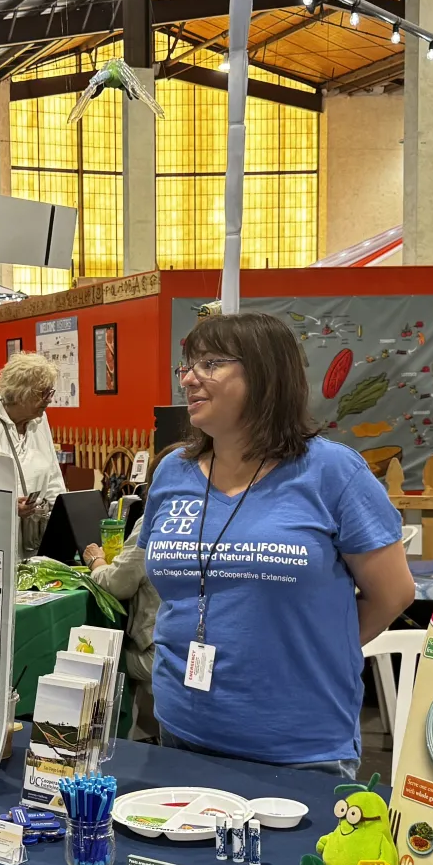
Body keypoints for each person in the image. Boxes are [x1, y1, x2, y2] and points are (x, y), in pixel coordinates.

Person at [139, 314, 415, 774]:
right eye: (186, 366)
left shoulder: (331, 472)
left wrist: (310, 651)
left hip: (298, 746)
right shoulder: (172, 474)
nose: (188, 378)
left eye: (209, 363)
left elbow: (394, 594)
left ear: (265, 374)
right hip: (181, 730)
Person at [0, 352, 67, 554]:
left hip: (36, 542)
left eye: (50, 392)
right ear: (21, 394)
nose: (49, 400)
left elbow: (53, 475)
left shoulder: (39, 420)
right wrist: (8, 508)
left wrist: (62, 513)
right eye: (42, 393)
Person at [80, 535, 161, 742]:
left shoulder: (155, 520)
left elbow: (116, 584)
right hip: (202, 646)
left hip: (160, 653)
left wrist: (96, 562)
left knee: (101, 659)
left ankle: (110, 740)